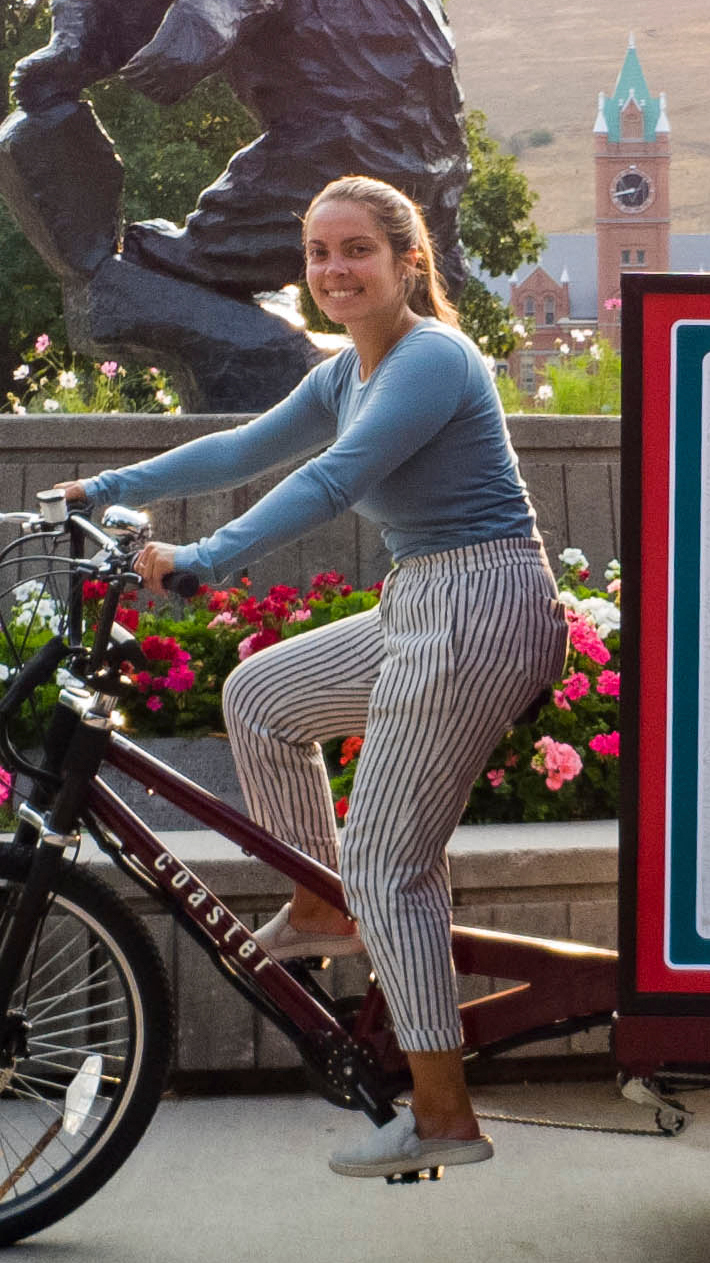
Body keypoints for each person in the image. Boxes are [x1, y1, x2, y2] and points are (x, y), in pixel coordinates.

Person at [61, 174, 558, 1179]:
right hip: (424, 599)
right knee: (263, 696)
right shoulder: (347, 372)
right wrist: (107, 486)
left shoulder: (431, 359)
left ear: (407, 262)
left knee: (388, 859)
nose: (335, 269)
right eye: (320, 253)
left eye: (357, 251)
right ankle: (324, 907)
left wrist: (205, 558)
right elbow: (248, 443)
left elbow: (335, 479)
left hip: (485, 603)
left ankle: (444, 1111)